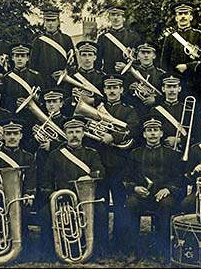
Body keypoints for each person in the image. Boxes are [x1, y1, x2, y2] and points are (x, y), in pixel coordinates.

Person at [37, 117, 107, 260]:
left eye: (77, 132)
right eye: (70, 132)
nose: (74, 135)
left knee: (101, 211)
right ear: (65, 134)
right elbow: (46, 179)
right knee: (45, 213)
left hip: (85, 199)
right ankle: (49, 252)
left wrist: (90, 176)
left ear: (83, 134)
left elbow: (101, 172)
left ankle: (99, 250)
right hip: (63, 199)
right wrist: (52, 197)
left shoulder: (91, 153)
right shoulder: (55, 155)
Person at [122, 116, 183, 263]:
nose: (153, 134)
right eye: (149, 131)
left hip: (163, 196)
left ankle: (162, 250)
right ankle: (134, 250)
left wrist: (168, 189)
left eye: (156, 130)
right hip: (141, 197)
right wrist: (135, 188)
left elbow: (179, 179)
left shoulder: (172, 154)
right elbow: (125, 178)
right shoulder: (134, 153)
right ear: (144, 134)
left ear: (161, 134)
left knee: (167, 205)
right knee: (130, 204)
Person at [94, 74, 140, 255]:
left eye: (115, 88)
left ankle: (120, 244)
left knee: (121, 205)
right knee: (100, 206)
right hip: (101, 163)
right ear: (104, 91)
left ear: (121, 90)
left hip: (120, 165)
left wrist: (113, 137)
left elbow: (134, 129)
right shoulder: (98, 110)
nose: (112, 91)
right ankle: (101, 245)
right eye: (108, 88)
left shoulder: (128, 110)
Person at [0, 119, 37, 256]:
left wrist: (29, 194)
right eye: (8, 134)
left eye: (15, 133)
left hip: (22, 198)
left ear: (20, 136)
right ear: (3, 136)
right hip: (0, 199)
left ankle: (24, 250)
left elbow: (31, 178)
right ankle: (0, 247)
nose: (12, 137)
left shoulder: (27, 157)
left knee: (21, 213)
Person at [160, 2, 201, 95]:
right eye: (180, 14)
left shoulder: (199, 35)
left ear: (191, 17)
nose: (183, 16)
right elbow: (164, 61)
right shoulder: (170, 37)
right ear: (176, 18)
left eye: (186, 14)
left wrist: (188, 66)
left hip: (195, 80)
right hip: (175, 83)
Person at [29, 5, 76, 90]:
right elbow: (32, 66)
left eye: (53, 20)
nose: (50, 23)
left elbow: (73, 63)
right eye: (47, 20)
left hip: (63, 84)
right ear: (44, 22)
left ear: (58, 22)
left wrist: (64, 73)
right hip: (44, 83)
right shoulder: (38, 41)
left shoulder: (66, 39)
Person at [149, 73, 189, 152]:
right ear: (163, 89)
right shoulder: (155, 110)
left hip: (181, 150)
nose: (172, 90)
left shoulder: (187, 110)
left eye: (174, 86)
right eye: (168, 86)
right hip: (162, 150)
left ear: (179, 89)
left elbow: (194, 134)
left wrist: (179, 140)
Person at [123, 42, 165, 115]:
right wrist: (130, 90)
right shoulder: (130, 74)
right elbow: (123, 95)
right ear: (138, 56)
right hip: (135, 112)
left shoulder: (161, 75)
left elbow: (168, 96)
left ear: (154, 56)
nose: (146, 56)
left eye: (149, 53)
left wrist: (155, 100)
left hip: (155, 113)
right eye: (143, 53)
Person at [97, 5, 141, 73]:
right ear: (109, 18)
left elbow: (139, 60)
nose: (115, 18)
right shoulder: (102, 38)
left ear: (123, 18)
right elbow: (98, 60)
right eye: (113, 15)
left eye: (118, 15)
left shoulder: (133, 37)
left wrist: (127, 67)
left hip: (128, 75)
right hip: (108, 76)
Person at [2, 43, 40, 113]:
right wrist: (14, 102)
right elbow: (3, 98)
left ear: (27, 58)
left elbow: (40, 98)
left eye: (23, 56)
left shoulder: (35, 76)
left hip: (31, 114)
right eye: (17, 56)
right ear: (13, 58)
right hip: (13, 113)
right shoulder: (7, 78)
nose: (19, 59)